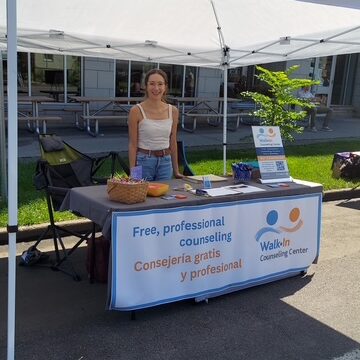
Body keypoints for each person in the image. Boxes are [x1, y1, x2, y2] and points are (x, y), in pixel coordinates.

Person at [128, 69, 183, 181]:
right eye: (152, 84)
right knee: (142, 196)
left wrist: (176, 170)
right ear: (146, 86)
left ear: (165, 87)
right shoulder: (136, 111)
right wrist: (134, 174)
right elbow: (133, 145)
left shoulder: (173, 111)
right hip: (143, 162)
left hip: (165, 164)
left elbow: (173, 142)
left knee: (165, 196)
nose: (156, 88)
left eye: (160, 84)